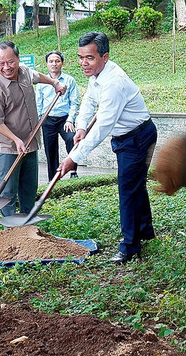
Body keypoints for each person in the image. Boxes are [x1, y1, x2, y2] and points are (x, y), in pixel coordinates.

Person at [57, 31, 157, 264]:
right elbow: (90, 101)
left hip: (138, 137)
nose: (84, 63)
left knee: (127, 188)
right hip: (127, 137)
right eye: (81, 57)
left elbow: (102, 126)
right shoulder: (97, 76)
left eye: (89, 58)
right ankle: (144, 230)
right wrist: (81, 127)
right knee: (134, 184)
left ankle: (130, 246)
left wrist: (74, 158)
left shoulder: (113, 83)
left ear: (105, 56)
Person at [0, 41, 65, 217]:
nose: (6, 67)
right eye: (1, 63)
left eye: (10, 61)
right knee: (8, 192)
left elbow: (37, 76)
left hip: (30, 142)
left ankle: (28, 226)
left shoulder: (24, 72)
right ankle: (10, 231)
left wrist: (54, 83)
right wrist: (16, 140)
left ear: (18, 59)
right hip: (8, 148)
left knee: (29, 187)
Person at [36, 50, 80, 180]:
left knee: (72, 139)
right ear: (47, 64)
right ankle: (54, 178)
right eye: (51, 61)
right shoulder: (41, 82)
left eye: (57, 61)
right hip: (47, 119)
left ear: (62, 63)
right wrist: (39, 121)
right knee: (50, 149)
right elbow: (39, 103)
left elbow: (74, 103)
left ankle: (73, 171)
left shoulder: (70, 80)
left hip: (65, 119)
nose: (54, 64)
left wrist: (70, 120)